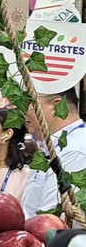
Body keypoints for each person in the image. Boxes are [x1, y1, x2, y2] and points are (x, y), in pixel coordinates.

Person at [22, 86, 86, 219]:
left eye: (28, 102)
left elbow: (51, 220)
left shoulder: (75, 150)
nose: (22, 111)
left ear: (57, 106)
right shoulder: (51, 147)